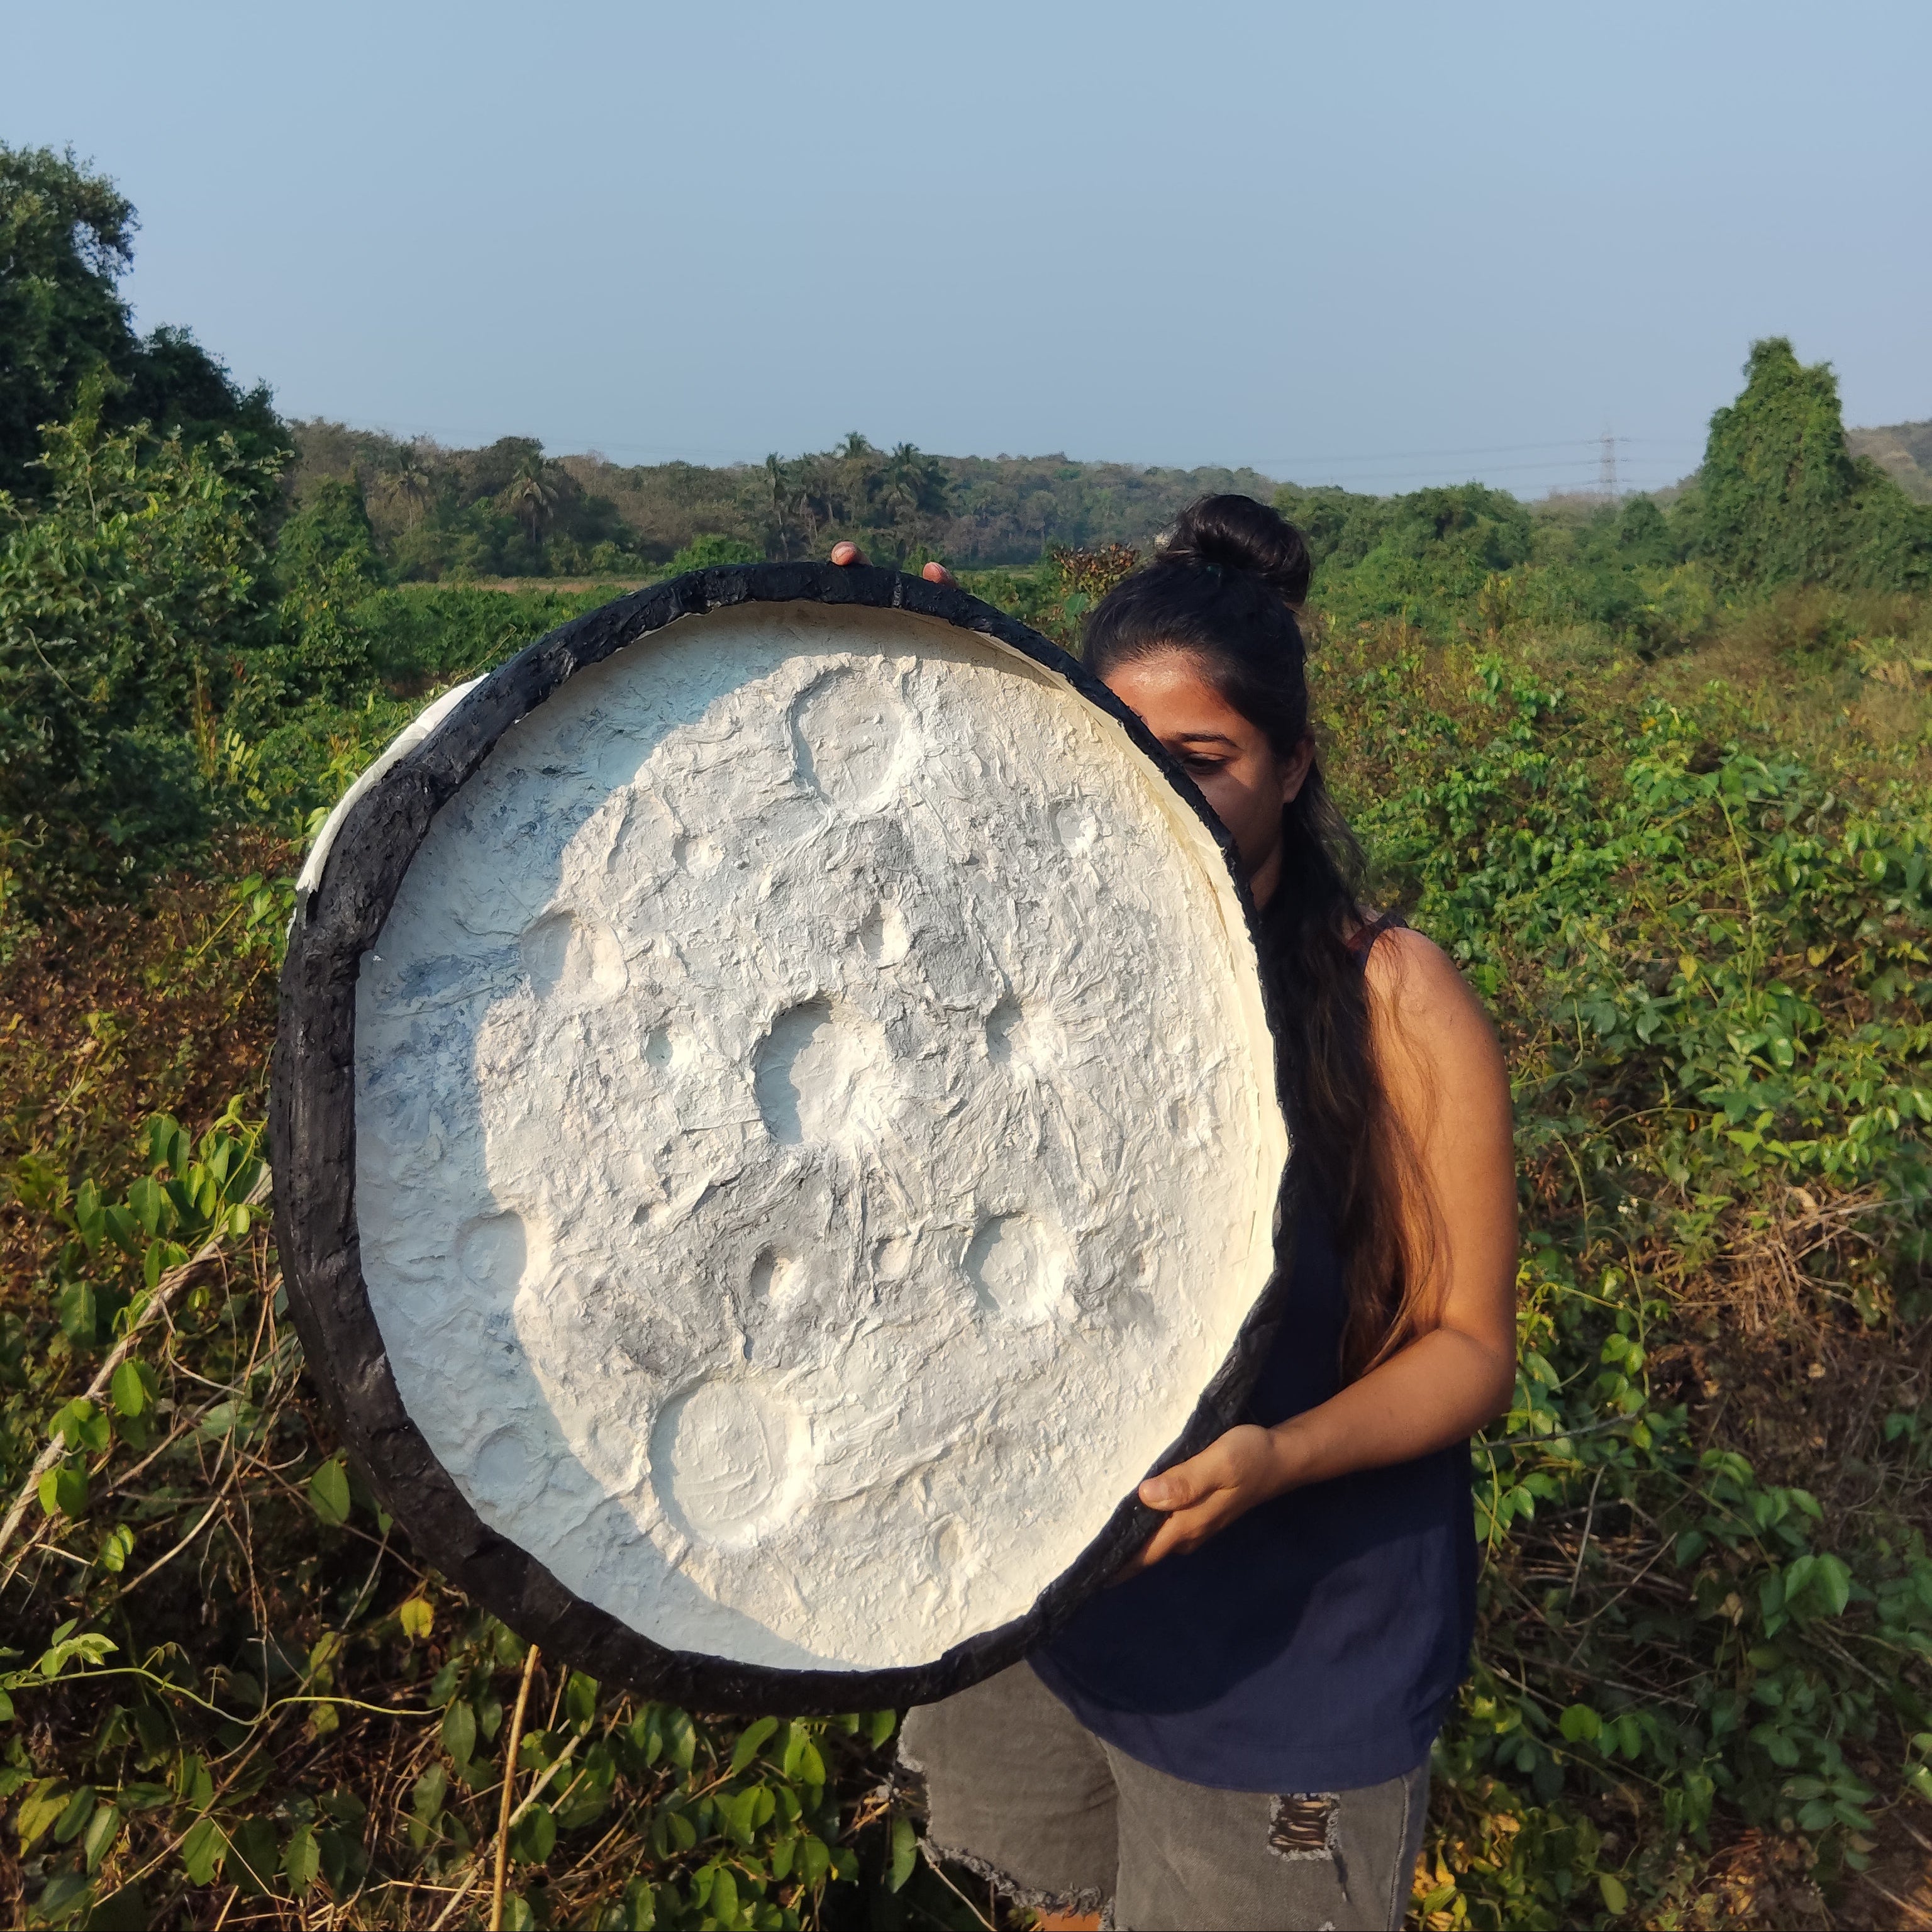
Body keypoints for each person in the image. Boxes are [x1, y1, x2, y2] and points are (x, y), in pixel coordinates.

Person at [830, 496, 1518, 1932]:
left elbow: (1465, 1348)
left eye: (1204, 761)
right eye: (1124, 755)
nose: (1160, 796)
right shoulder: (1045, 973)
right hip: (1058, 1608)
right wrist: (896, 664)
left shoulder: (1387, 997)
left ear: (1293, 767)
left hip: (1292, 1658)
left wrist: (1275, 1459)